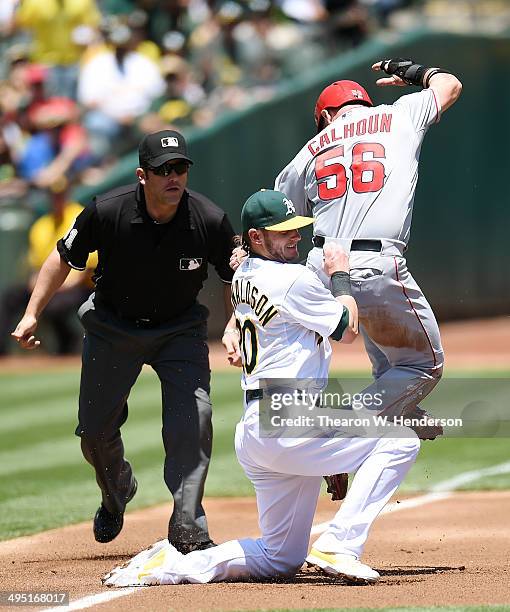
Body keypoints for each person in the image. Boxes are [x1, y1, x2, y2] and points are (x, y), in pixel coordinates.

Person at [102, 189, 421, 587]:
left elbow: (253, 296)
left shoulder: (245, 276)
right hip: (287, 418)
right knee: (401, 438)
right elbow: (349, 329)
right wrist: (340, 273)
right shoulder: (291, 279)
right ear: (256, 237)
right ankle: (341, 544)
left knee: (280, 558)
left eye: (295, 229)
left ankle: (169, 564)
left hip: (259, 431)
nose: (295, 237)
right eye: (283, 232)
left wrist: (328, 457)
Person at [12, 129, 238, 554]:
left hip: (180, 330)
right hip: (114, 326)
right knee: (95, 433)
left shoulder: (206, 219)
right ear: (141, 175)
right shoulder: (106, 211)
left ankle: (188, 525)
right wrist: (31, 313)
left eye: (181, 168)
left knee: (194, 421)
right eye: (163, 170)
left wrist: (231, 325)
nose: (174, 177)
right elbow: (64, 257)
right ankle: (117, 489)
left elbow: (233, 276)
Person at [273, 58, 463, 439]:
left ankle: (395, 410)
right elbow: (450, 85)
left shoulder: (308, 151)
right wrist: (411, 72)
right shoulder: (398, 115)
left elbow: (281, 217)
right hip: (377, 265)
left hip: (321, 266)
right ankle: (339, 428)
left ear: (327, 115)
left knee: (388, 369)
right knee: (424, 366)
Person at [0, 179, 96, 356]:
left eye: (60, 194)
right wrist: (36, 283)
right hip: (49, 285)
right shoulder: (41, 225)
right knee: (10, 297)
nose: (57, 199)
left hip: (79, 286)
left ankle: (68, 348)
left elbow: (87, 269)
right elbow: (35, 265)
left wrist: (56, 286)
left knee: (55, 305)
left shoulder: (79, 216)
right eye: (53, 195)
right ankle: (2, 352)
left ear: (67, 194)